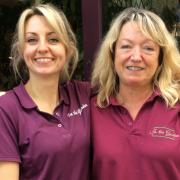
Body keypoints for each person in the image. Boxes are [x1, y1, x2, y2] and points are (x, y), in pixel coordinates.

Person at [0, 3, 90, 180]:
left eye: (53, 39)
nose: (42, 48)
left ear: (69, 49)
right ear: (21, 49)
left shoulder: (84, 95)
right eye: (32, 40)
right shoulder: (6, 110)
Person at [91, 7, 180, 180]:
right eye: (126, 46)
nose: (136, 56)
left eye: (148, 48)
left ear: (161, 59)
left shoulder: (176, 107)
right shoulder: (92, 109)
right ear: (112, 54)